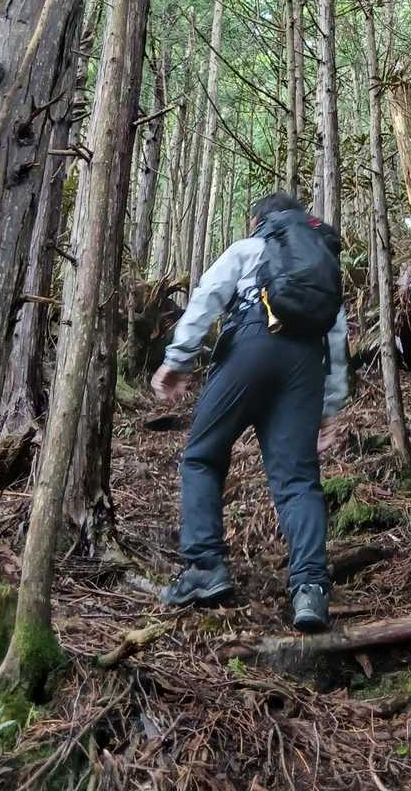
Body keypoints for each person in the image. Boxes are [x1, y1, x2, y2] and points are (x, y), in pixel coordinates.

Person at [151, 191, 348, 629]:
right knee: (298, 480)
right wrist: (329, 406)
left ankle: (205, 568)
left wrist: (178, 359)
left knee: (203, 457)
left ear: (259, 221)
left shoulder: (250, 247)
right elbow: (336, 336)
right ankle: (310, 590)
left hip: (250, 347)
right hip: (304, 365)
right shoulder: (319, 262)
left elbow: (208, 295)